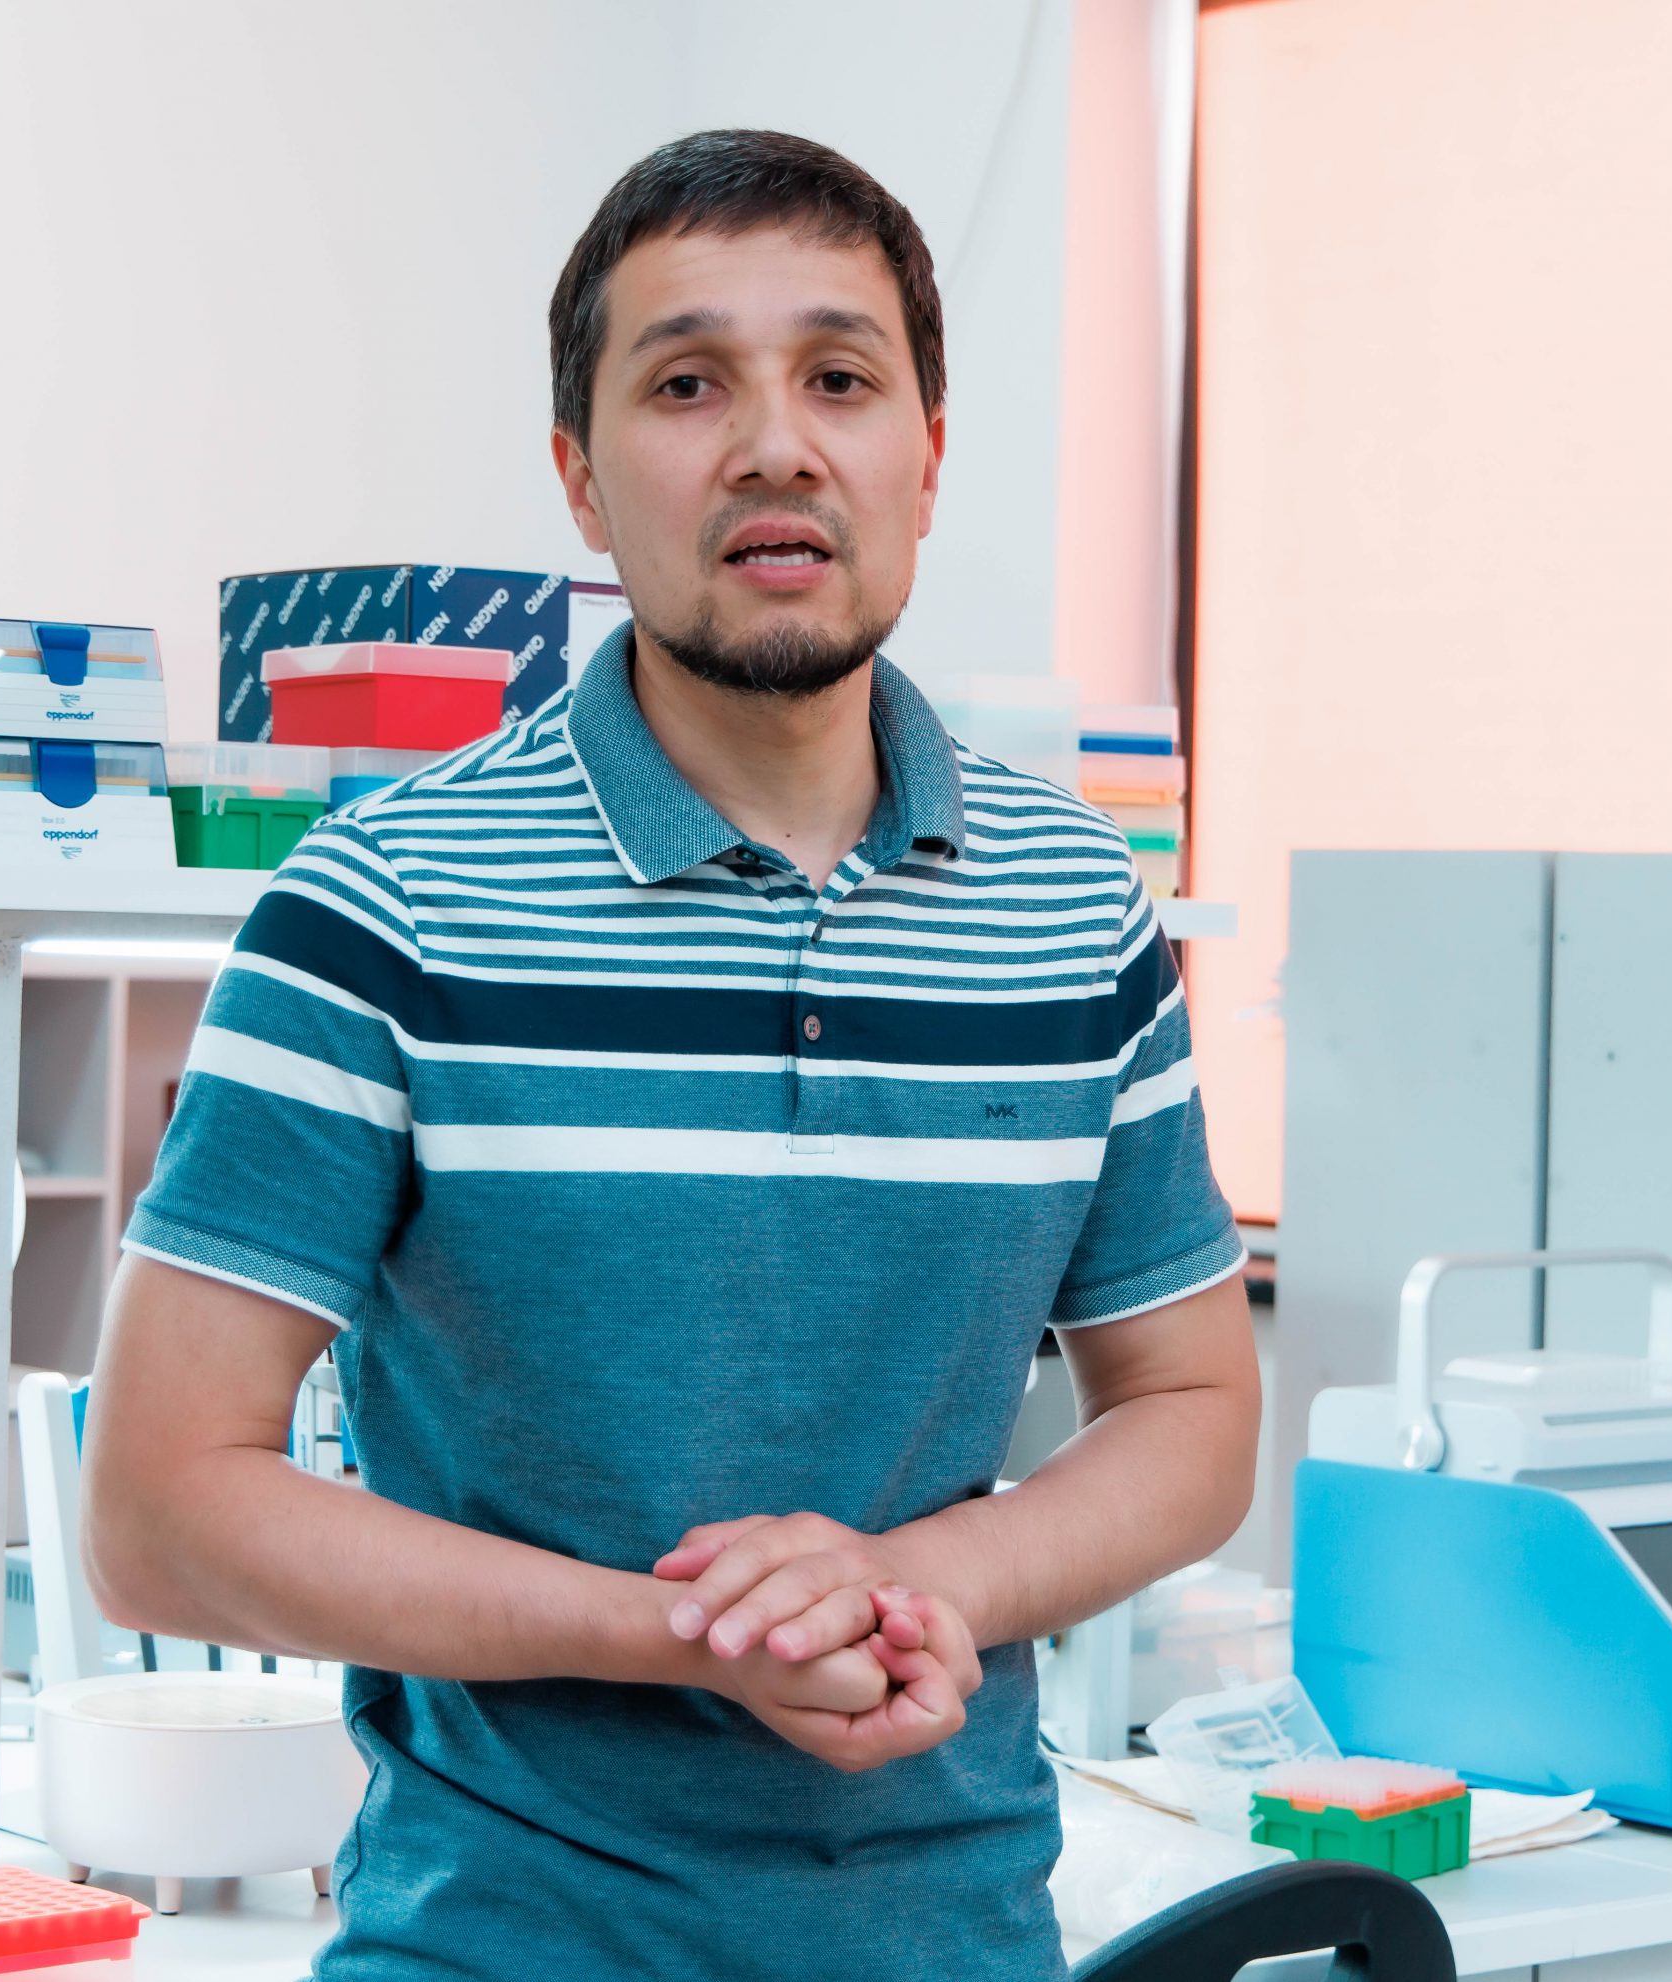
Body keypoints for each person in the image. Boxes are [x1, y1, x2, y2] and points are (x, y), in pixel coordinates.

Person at [83, 127, 1259, 1980]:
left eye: (842, 378)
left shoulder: (1074, 906)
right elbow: (158, 1511)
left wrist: (923, 1582)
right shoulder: (384, 902)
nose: (777, 444)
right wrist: (700, 1630)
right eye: (689, 382)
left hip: (958, 1938)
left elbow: (1192, 1408)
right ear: (581, 476)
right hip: (500, 1945)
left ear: (929, 454)